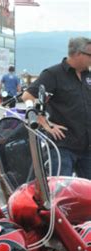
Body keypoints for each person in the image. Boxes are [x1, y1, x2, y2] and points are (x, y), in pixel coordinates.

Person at [22, 37, 91, 179]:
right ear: (78, 54)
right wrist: (45, 123)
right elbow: (28, 96)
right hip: (63, 145)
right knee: (60, 191)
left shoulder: (88, 76)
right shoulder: (53, 74)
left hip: (87, 146)